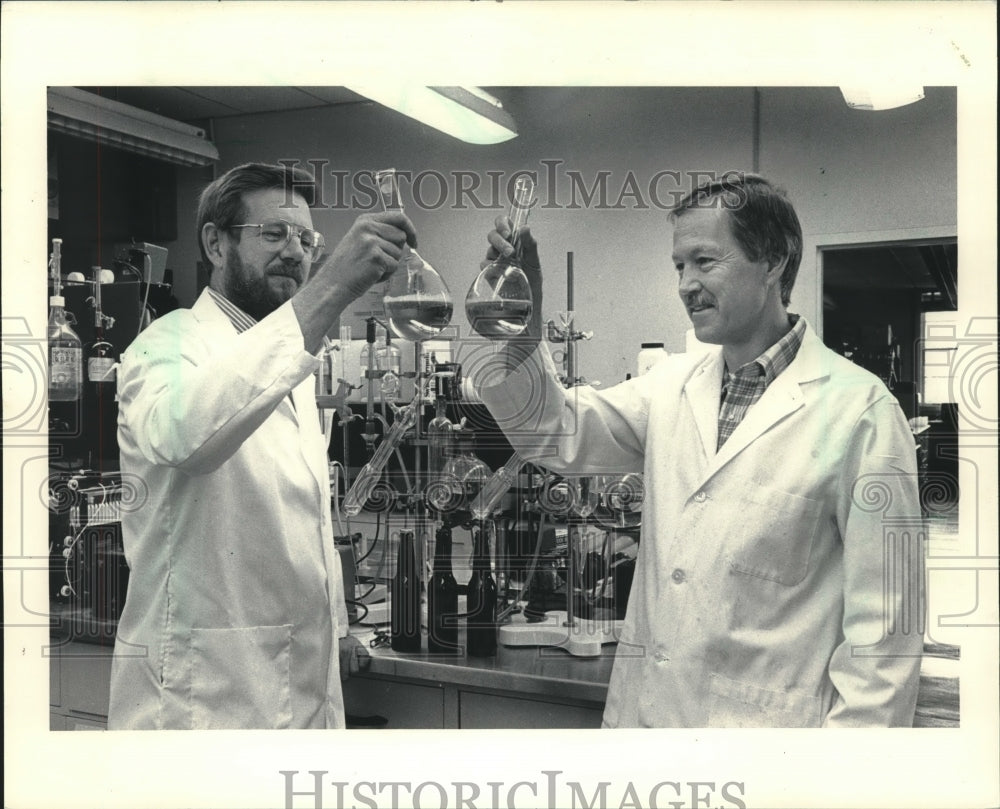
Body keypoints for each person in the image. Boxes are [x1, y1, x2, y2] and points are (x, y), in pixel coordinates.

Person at [475, 173, 924, 727]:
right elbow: (551, 430)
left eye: (705, 262)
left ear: (774, 261)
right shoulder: (671, 386)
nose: (686, 284)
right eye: (679, 266)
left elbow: (888, 640)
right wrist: (523, 323)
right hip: (650, 732)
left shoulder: (862, 413)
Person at [108, 162, 417, 729]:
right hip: (202, 698)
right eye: (273, 234)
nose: (294, 252)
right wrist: (331, 288)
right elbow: (184, 436)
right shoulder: (167, 344)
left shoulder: (292, 364)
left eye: (305, 239)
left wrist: (340, 629)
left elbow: (302, 519)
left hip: (297, 683)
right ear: (215, 243)